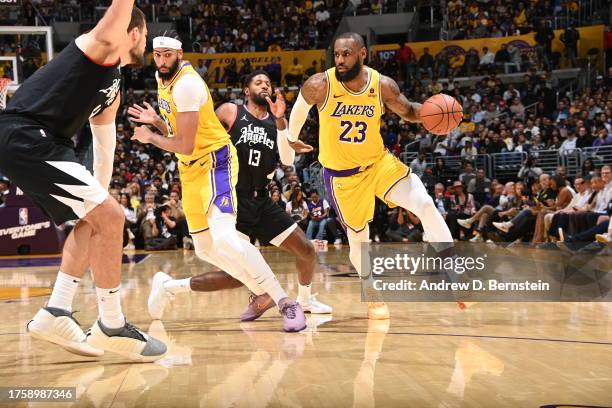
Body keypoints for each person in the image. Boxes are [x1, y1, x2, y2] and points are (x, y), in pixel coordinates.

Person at [0, 3, 167, 361]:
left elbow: (104, 147)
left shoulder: (114, 85)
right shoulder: (101, 42)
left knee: (99, 219)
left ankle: (55, 312)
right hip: (24, 133)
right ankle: (110, 324)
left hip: (46, 143)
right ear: (133, 32)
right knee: (109, 216)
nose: (147, 44)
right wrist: (108, 213)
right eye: (146, 36)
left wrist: (101, 204)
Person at [129, 32, 306, 332]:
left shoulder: (186, 84)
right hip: (189, 169)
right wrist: (158, 123)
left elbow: (184, 144)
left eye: (167, 55)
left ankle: (285, 301)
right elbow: (180, 131)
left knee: (225, 238)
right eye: (157, 55)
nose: (161, 61)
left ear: (180, 54)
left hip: (215, 162)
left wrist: (150, 137)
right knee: (205, 249)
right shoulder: (163, 81)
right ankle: (252, 290)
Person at [287, 32, 454, 320]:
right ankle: (371, 289)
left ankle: (455, 272)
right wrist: (291, 137)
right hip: (343, 177)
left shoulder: (382, 85)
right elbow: (299, 110)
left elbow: (409, 110)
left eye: (346, 54)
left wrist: (432, 115)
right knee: (359, 242)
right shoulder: (320, 84)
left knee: (425, 204)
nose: (340, 60)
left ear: (362, 54)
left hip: (378, 164)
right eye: (337, 54)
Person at [141, 70, 331, 318]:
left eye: (268, 83)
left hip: (262, 199)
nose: (265, 86)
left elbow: (287, 159)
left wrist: (282, 120)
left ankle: (304, 301)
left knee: (306, 250)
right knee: (235, 275)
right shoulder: (230, 111)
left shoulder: (276, 123)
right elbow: (193, 134)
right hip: (231, 196)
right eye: (258, 82)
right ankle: (172, 287)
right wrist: (158, 123)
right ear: (246, 90)